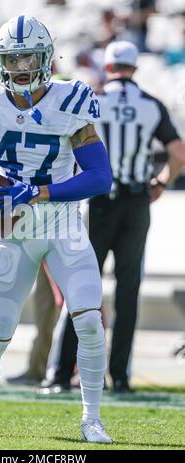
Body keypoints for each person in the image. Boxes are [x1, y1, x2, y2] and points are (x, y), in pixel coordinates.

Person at [0, 16, 113, 444]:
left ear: (46, 58)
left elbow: (101, 177)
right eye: (11, 58)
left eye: (28, 57)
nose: (20, 67)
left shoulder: (72, 99)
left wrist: (39, 192)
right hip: (14, 231)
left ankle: (92, 417)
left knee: (89, 319)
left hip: (64, 226)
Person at [38, 40, 185, 395]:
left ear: (107, 68)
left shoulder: (91, 99)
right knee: (128, 291)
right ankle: (119, 376)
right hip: (136, 203)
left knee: (80, 286)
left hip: (98, 202)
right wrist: (161, 182)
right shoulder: (151, 104)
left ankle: (60, 374)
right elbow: (178, 152)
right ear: (134, 68)